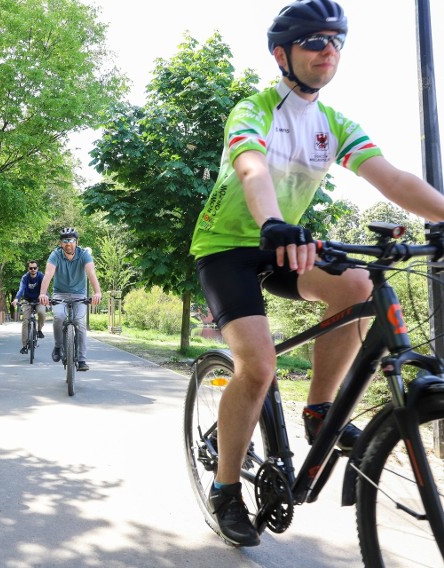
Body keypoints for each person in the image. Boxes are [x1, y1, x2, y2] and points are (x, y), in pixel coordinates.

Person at [189, 0, 444, 547]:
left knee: (361, 286)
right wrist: (275, 223)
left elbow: (394, 179)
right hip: (229, 247)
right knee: (256, 369)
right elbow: (251, 165)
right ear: (282, 53)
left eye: (337, 42)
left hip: (286, 244)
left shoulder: (333, 124)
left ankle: (319, 407)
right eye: (314, 42)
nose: (328, 52)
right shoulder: (254, 109)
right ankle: (226, 488)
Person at [39, 228, 102, 371]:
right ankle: (58, 346)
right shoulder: (55, 255)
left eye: (71, 240)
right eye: (65, 241)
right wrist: (43, 294)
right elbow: (48, 275)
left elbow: (91, 273)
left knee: (80, 323)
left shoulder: (84, 254)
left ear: (76, 242)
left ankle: (81, 359)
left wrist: (97, 292)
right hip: (60, 294)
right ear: (61, 243)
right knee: (59, 316)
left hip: (79, 294)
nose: (68, 244)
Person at [11, 260, 47, 354]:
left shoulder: (41, 276)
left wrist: (47, 298)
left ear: (37, 269)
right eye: (31, 268)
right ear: (28, 269)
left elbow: (45, 288)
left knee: (42, 313)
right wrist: (16, 299)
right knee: (25, 321)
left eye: (35, 268)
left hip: (39, 300)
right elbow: (21, 289)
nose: (33, 270)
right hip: (27, 301)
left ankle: (39, 330)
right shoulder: (25, 277)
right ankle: (25, 346)